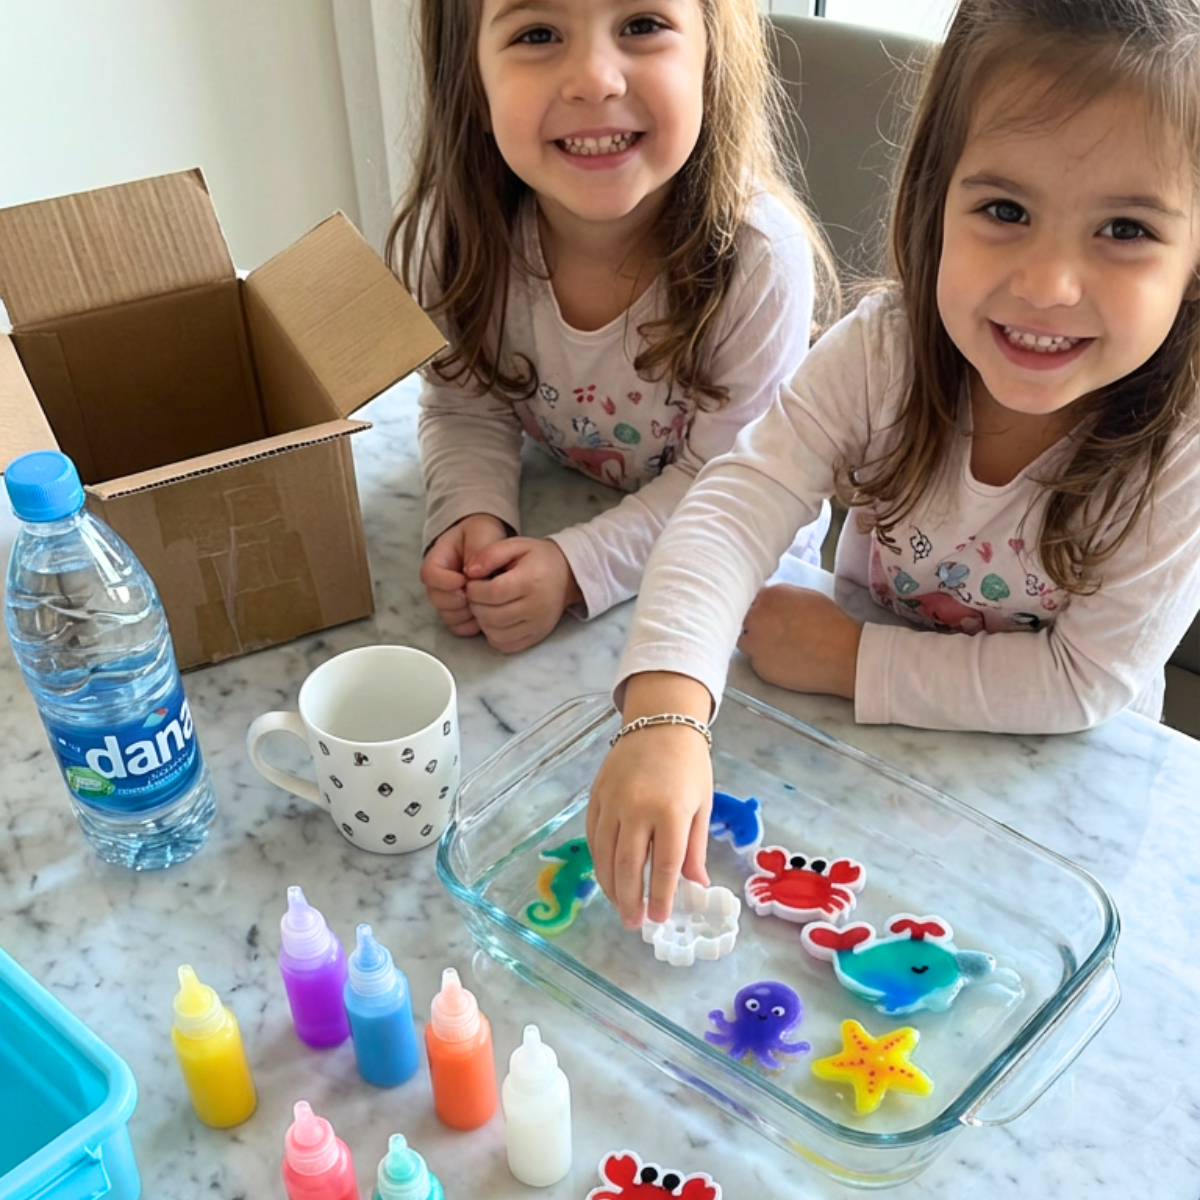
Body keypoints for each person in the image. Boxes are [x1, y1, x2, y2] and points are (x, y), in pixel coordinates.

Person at [588, 0, 1200, 930]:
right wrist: (665, 711)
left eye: (1125, 230)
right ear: (933, 201)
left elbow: (1083, 682)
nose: (1048, 285)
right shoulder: (882, 353)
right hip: (853, 778)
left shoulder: (1181, 451)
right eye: (1004, 210)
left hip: (1055, 819)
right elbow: (733, 507)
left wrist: (851, 658)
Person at [388, 0, 836, 654]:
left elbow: (730, 486)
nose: (595, 80)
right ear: (471, 84)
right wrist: (471, 512)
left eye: (641, 25)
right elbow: (465, 406)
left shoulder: (760, 260)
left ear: (711, 59)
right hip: (573, 511)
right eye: (538, 34)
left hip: (740, 585)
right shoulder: (459, 243)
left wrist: (576, 569)